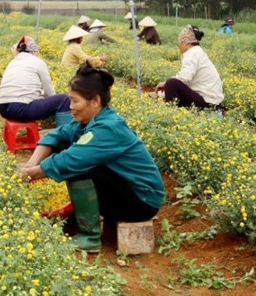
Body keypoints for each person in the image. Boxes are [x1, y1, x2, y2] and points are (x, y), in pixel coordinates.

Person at [21, 65, 164, 252]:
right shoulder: (87, 121)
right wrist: (31, 164)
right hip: (126, 190)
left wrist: (31, 174)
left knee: (78, 164)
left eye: (75, 101)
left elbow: (71, 160)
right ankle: (82, 219)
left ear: (95, 101)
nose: (70, 107)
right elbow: (55, 136)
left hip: (142, 201)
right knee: (67, 147)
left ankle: (90, 238)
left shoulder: (109, 128)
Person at [0, 36, 72, 127]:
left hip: (3, 109)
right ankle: (65, 134)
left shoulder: (12, 63)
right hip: (21, 109)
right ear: (33, 51)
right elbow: (48, 91)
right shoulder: (38, 62)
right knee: (64, 99)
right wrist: (51, 103)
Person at [154, 25, 224, 110]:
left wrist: (166, 84)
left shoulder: (192, 54)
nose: (179, 46)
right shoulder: (197, 51)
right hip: (213, 103)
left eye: (179, 43)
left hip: (207, 103)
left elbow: (185, 78)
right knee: (173, 84)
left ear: (185, 43)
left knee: (172, 83)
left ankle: (170, 112)